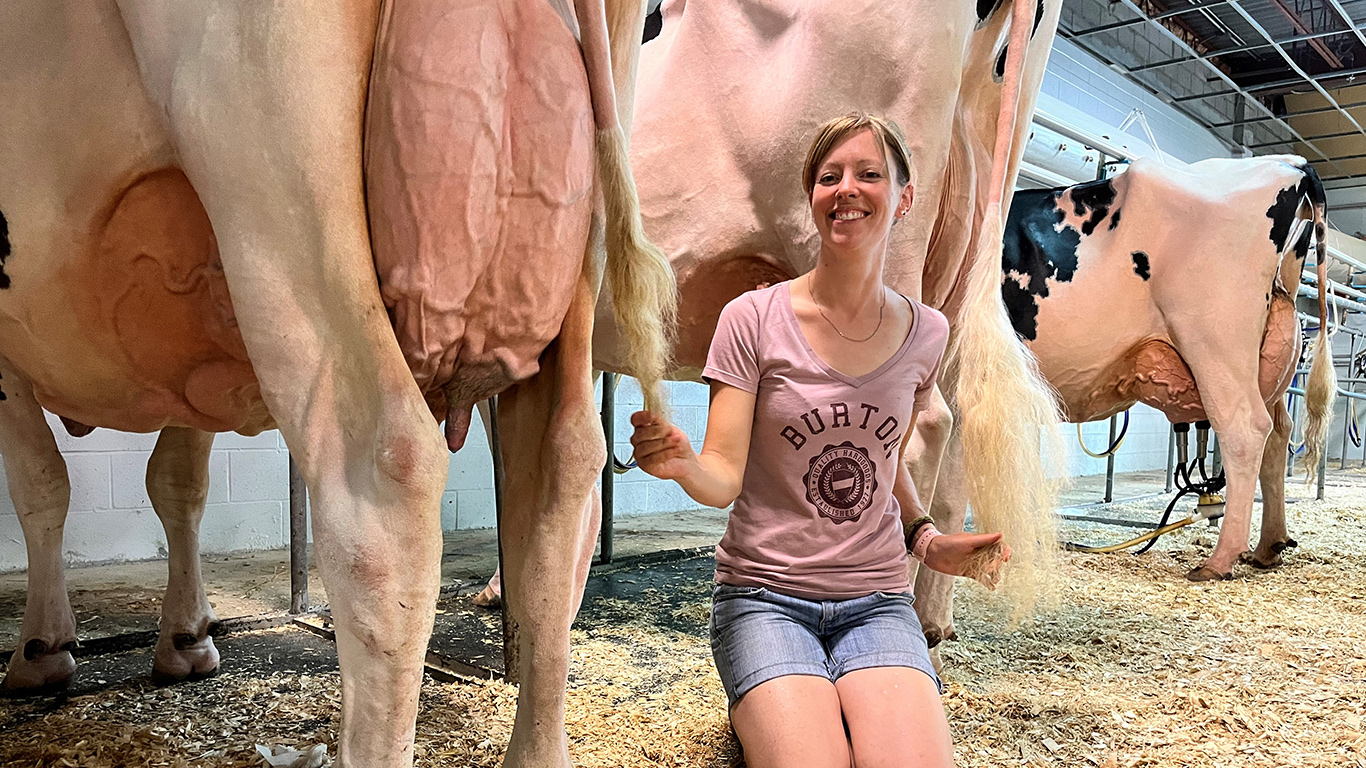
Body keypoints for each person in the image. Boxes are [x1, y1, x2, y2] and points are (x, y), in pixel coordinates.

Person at [628, 113, 1010, 768]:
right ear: (813, 198)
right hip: (766, 597)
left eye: (869, 174)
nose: (847, 189)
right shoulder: (753, 318)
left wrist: (927, 537)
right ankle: (771, 700)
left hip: (879, 602)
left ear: (903, 197)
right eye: (829, 177)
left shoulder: (926, 333)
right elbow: (723, 473)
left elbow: (878, 456)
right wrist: (685, 463)